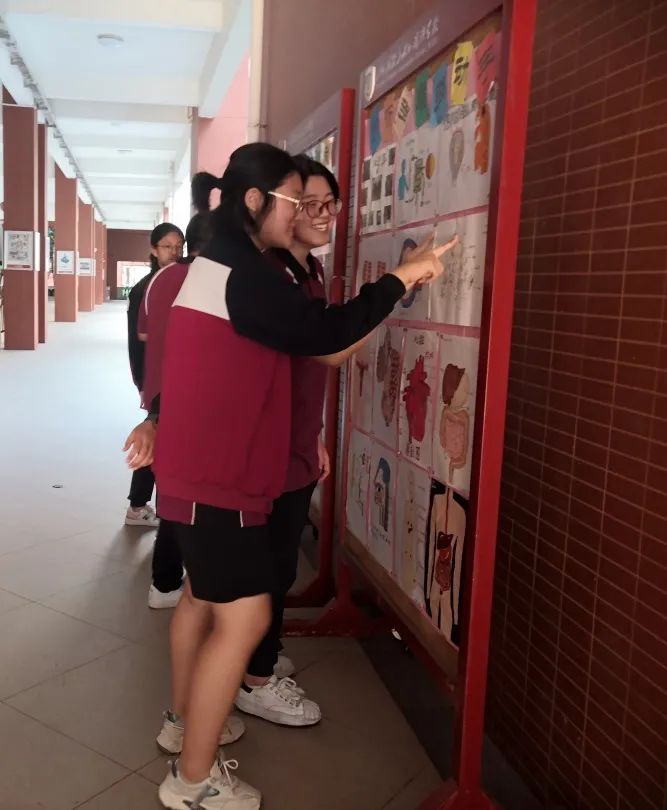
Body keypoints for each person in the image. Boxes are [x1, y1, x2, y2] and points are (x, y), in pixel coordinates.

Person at [127, 142, 455, 810]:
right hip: (217, 475)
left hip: (205, 470)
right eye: (295, 200)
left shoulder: (223, 265)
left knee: (202, 601)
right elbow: (324, 334)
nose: (304, 212)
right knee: (245, 617)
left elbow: (306, 344)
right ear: (255, 201)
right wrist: (402, 277)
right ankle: (192, 781)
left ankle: (184, 728)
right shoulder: (244, 274)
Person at [125, 223, 184, 529]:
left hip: (172, 377)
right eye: (167, 246)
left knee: (159, 439)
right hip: (156, 379)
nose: (174, 252)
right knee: (154, 437)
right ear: (153, 249)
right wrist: (143, 384)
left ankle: (143, 506)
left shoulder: (181, 282)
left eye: (179, 246)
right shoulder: (144, 289)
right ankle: (139, 506)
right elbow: (137, 344)